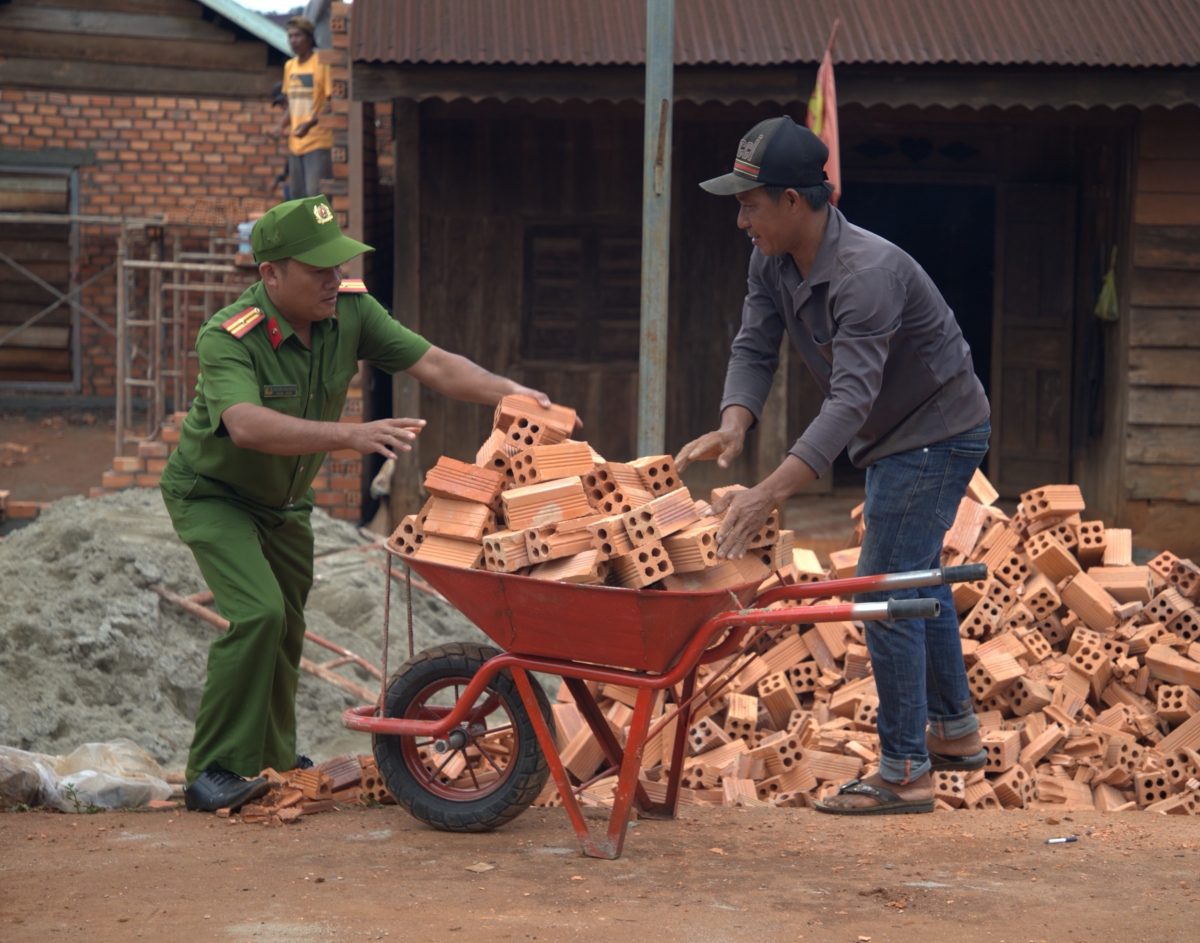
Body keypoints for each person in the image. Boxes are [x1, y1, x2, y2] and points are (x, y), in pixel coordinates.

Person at [164, 196, 557, 812]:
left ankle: (268, 758)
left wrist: (511, 391)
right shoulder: (228, 337)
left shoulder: (349, 309)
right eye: (317, 267)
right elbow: (244, 425)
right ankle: (211, 770)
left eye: (338, 262)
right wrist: (349, 433)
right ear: (270, 274)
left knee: (288, 623)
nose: (333, 277)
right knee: (259, 613)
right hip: (214, 494)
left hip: (284, 501)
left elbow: (433, 363)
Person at [676, 117, 992, 815]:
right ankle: (954, 732)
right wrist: (734, 423)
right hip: (895, 432)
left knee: (884, 586)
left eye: (749, 203)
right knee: (916, 576)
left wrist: (767, 491)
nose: (739, 220)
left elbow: (850, 400)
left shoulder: (865, 274)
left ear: (794, 200)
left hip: (938, 429)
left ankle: (906, 769)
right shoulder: (771, 259)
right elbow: (754, 346)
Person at [272, 16, 333, 201]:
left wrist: (309, 124)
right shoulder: (289, 66)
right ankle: (304, 232)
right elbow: (292, 103)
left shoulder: (321, 63)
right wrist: (281, 126)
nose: (293, 40)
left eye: (297, 35)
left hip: (317, 141)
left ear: (309, 38)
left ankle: (323, 230)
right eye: (290, 36)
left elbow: (332, 103)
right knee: (298, 197)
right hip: (295, 144)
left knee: (316, 196)